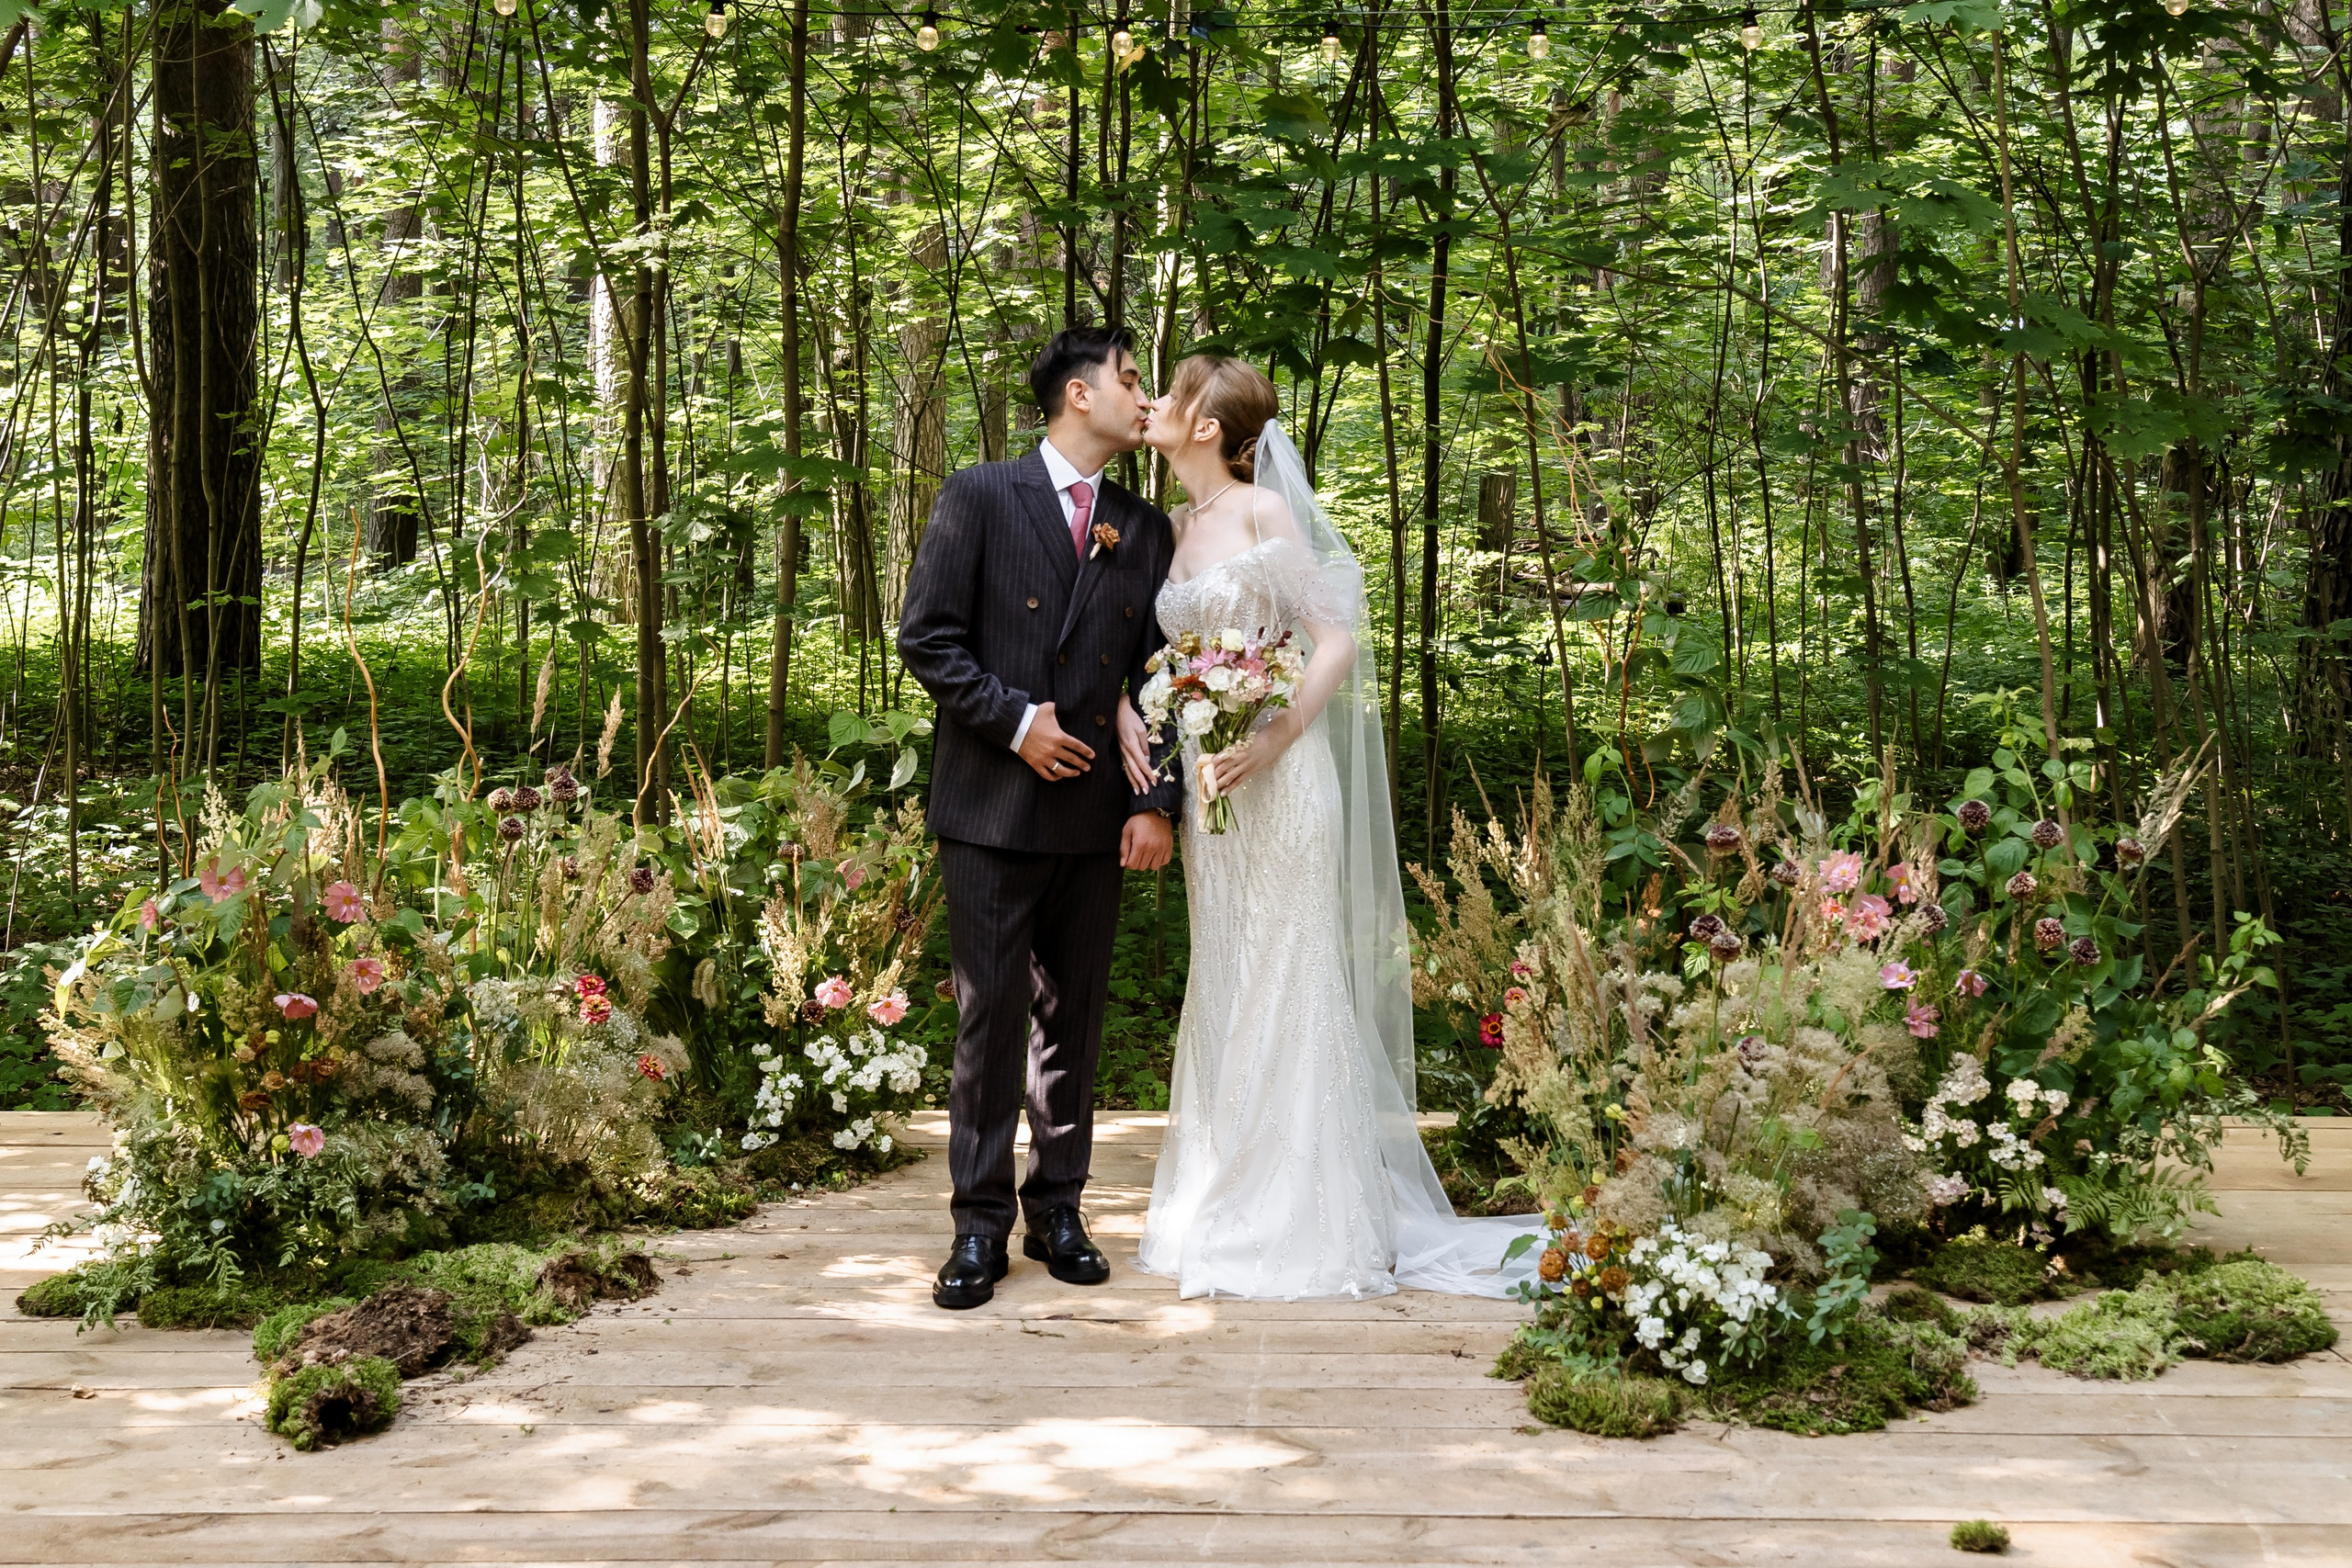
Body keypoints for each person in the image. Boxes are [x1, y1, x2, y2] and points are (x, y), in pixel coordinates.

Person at [1122, 354, 1542, 1300]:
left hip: (1279, 774)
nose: (1151, 402)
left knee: (1289, 971)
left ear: (1205, 427)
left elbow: (1335, 639)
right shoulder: (1168, 527)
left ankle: (1306, 1216)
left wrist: (1272, 736)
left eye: (1172, 394)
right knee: (1227, 971)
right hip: (1211, 786)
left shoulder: (1265, 513)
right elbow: (1166, 654)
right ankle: (1223, 1193)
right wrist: (1165, 704)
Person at [897, 326, 1184, 1311]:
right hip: (988, 805)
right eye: (1131, 378)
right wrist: (1017, 724)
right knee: (990, 1020)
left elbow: (1165, 678)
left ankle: (1057, 1208)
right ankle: (977, 1227)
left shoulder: (1145, 528)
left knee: (1074, 1020)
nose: (1143, 396)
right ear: (1077, 393)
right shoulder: (981, 494)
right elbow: (926, 640)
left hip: (1096, 813)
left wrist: (1157, 802)